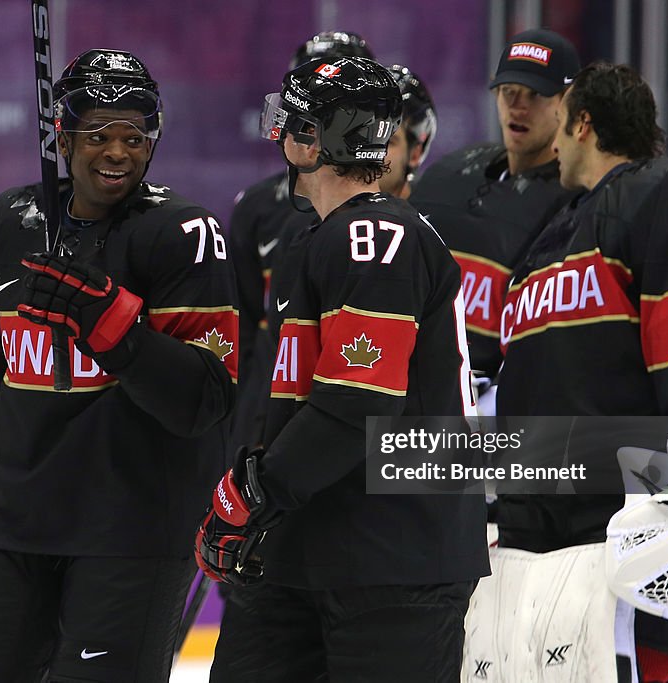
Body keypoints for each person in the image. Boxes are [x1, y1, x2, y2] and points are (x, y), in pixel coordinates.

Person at [0, 49, 237, 683]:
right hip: (16, 520)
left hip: (130, 531)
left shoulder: (186, 234)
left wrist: (113, 328)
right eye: (98, 135)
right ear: (61, 136)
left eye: (134, 137)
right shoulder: (11, 221)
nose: (118, 153)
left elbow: (206, 400)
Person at [195, 56, 489, 681]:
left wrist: (254, 494)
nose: (281, 135)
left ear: (316, 140)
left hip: (394, 557)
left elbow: (358, 402)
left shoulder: (377, 236)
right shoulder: (324, 237)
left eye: (292, 122)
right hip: (315, 547)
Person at [479, 62, 668, 682]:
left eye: (561, 117)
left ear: (583, 122)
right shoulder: (542, 242)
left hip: (627, 549)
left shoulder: (664, 191)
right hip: (532, 554)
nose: (548, 136)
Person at [410, 28, 581, 402]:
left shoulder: (580, 200)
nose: (518, 107)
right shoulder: (447, 175)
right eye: (508, 93)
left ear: (567, 100)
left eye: (535, 95)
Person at [228, 31, 375, 455]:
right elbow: (243, 330)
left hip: (352, 411)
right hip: (270, 398)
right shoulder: (257, 207)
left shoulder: (397, 224)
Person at [378, 63, 438, 199]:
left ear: (415, 155)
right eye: (366, 136)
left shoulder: (437, 217)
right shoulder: (329, 215)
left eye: (388, 141)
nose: (372, 151)